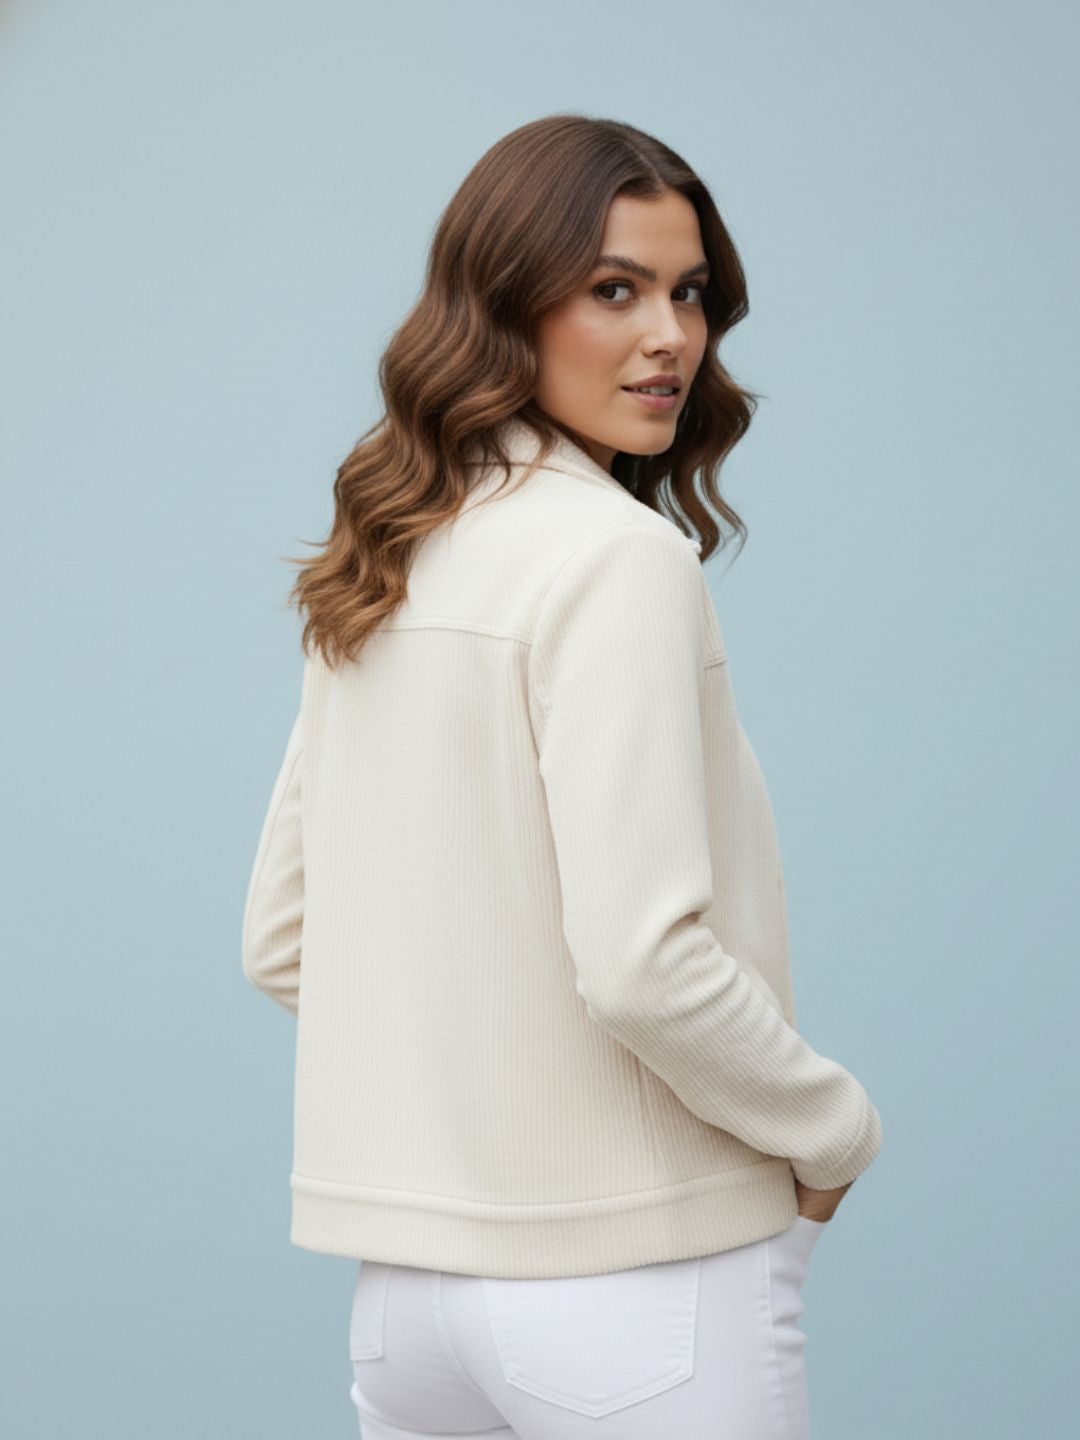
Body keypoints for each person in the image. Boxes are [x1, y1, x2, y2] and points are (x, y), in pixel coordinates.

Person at [241, 113, 884, 1440]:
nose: (669, 337)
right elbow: (644, 965)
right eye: (613, 290)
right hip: (636, 1292)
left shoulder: (388, 549)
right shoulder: (616, 559)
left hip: (406, 1304)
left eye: (688, 294)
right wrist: (832, 1127)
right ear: (503, 308)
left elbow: (284, 939)